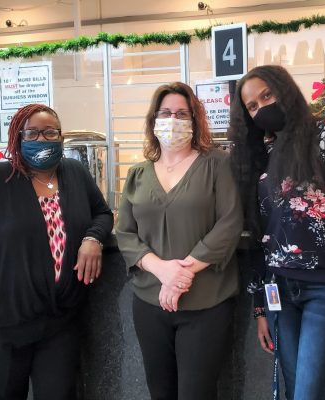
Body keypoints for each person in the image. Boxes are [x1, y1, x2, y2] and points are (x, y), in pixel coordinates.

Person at [0, 103, 113, 400]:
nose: (43, 139)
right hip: (1, 327)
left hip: (59, 324)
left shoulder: (74, 173)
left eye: (51, 132)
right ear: (17, 137)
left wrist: (93, 238)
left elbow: (102, 213)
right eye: (33, 132)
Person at [228, 65, 325, 400]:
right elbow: (258, 236)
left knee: (307, 393)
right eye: (252, 106)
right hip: (279, 291)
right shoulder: (259, 155)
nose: (261, 107)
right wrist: (261, 307)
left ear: (285, 89)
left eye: (267, 95)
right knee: (293, 390)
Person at [116, 82, 243, 400]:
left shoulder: (216, 164)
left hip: (206, 303)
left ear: (195, 120)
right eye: (166, 113)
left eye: (182, 113)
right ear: (154, 120)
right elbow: (125, 232)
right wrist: (162, 271)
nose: (173, 119)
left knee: (195, 394)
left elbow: (230, 223)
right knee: (160, 392)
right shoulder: (138, 174)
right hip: (149, 302)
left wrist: (181, 274)